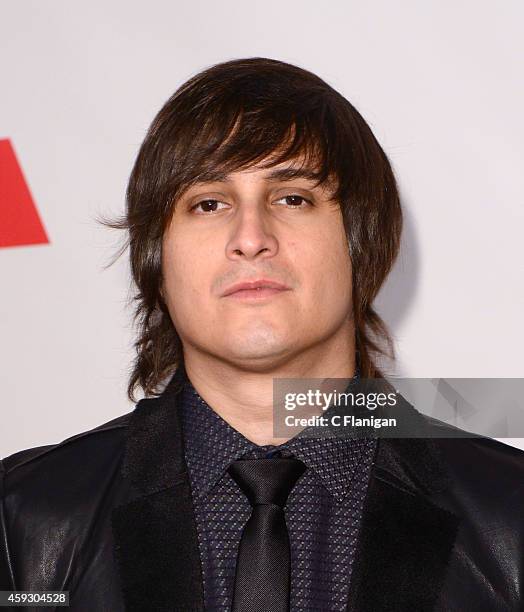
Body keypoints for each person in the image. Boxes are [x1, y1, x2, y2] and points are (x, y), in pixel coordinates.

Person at [0, 57, 522, 612]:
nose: (250, 238)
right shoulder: (27, 521)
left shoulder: (510, 521)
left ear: (360, 242)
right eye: (209, 203)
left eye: (292, 197)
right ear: (157, 260)